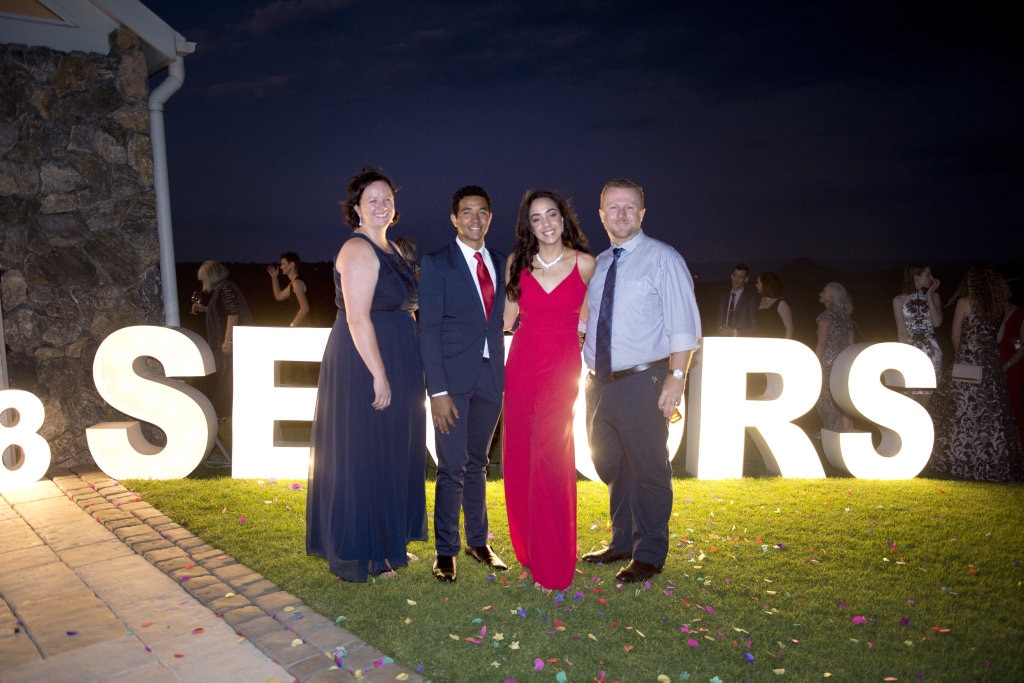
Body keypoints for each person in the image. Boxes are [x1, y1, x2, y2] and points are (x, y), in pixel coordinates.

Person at [305, 168, 427, 582]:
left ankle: (388, 544)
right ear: (355, 208)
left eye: (387, 198)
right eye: (371, 199)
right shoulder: (358, 250)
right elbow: (357, 318)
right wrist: (379, 374)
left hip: (396, 356)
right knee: (366, 454)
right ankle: (365, 554)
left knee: (392, 451)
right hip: (365, 361)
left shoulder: (390, 247)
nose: (381, 204)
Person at [582, 178, 701, 584]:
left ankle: (649, 551)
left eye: (629, 207)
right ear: (601, 215)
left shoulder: (663, 259)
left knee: (648, 469)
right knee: (611, 464)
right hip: (598, 383)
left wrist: (676, 378)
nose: (621, 214)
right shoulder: (596, 265)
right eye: (613, 208)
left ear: (642, 213)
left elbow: (684, 325)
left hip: (642, 379)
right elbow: (588, 320)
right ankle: (621, 540)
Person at [502, 189, 596, 591]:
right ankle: (529, 549)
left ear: (564, 218)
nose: (546, 223)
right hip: (521, 366)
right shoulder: (516, 264)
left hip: (561, 370)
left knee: (550, 458)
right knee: (522, 455)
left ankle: (554, 562)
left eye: (552, 214)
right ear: (529, 226)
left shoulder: (587, 265)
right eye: (536, 218)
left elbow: (589, 320)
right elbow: (506, 321)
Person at [419, 185, 508, 583]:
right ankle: (445, 550)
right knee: (452, 467)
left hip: (491, 380)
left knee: (478, 464)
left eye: (483, 212)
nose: (475, 218)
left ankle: (478, 541)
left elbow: (505, 319)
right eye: (467, 212)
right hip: (451, 386)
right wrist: (436, 392)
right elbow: (429, 331)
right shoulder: (438, 264)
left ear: (490, 217)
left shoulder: (501, 263)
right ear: (454, 219)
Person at [929, 266, 1024, 481]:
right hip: (990, 364)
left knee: (959, 410)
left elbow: (955, 335)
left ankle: (956, 458)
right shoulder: (998, 305)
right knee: (991, 413)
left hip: (968, 362)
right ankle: (990, 459)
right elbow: (999, 338)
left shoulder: (965, 301)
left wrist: (965, 354)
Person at [191, 260, 253, 419]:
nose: (203, 283)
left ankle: (221, 414)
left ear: (211, 276)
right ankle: (222, 414)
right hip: (226, 341)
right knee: (225, 378)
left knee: (227, 378)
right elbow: (222, 312)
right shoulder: (222, 289)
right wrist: (204, 309)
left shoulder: (226, 288)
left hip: (232, 343)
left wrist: (228, 340)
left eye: (204, 279)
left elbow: (233, 314)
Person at [815, 282, 855, 432]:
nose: (820, 294)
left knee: (826, 399)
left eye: (824, 292)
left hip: (828, 363)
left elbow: (821, 343)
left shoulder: (825, 316)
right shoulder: (847, 317)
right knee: (842, 399)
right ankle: (845, 430)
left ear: (832, 296)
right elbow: (851, 344)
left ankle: (830, 430)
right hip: (843, 363)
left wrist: (816, 363)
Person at [892, 263, 943, 378]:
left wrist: (929, 295)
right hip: (911, 350)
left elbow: (937, 323)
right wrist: (904, 355)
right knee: (912, 389)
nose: (932, 278)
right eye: (928, 275)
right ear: (916, 277)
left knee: (932, 389)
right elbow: (901, 331)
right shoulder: (899, 300)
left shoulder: (935, 296)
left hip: (932, 350)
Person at [997, 283, 1024, 447]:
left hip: (1013, 362)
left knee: (1013, 401)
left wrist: (1008, 363)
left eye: (1005, 289)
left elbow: (1021, 343)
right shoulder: (991, 312)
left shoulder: (1020, 312)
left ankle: (1018, 444)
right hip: (992, 358)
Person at [266, 252, 310, 327]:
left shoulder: (297, 283)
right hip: (303, 326)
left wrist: (292, 325)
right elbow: (278, 296)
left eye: (283, 264)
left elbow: (305, 308)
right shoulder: (294, 284)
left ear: (292, 264)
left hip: (306, 327)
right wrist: (274, 277)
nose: (281, 267)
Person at [716, 264, 757, 336]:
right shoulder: (724, 297)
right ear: (731, 276)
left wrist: (734, 332)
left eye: (740, 277)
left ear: (746, 279)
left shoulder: (750, 299)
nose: (736, 279)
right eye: (735, 275)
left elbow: (754, 328)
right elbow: (719, 321)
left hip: (740, 342)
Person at [754, 271, 794, 339]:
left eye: (758, 283)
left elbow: (789, 328)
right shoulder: (760, 300)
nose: (756, 285)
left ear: (765, 284)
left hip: (776, 342)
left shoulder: (781, 303)